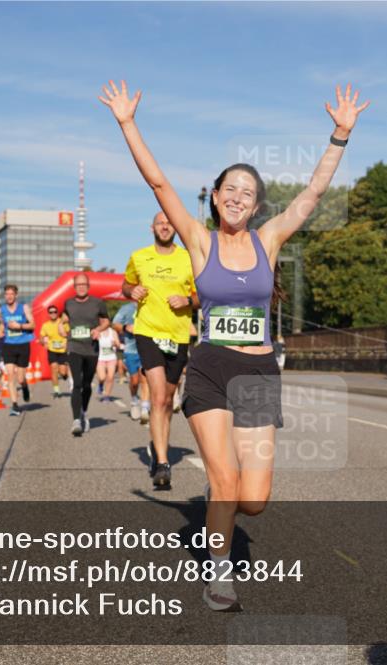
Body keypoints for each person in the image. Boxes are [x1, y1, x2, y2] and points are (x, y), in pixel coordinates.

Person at [101, 79, 368, 610]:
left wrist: (339, 135)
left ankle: (217, 509)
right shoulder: (199, 242)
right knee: (224, 481)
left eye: (248, 192)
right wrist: (127, 122)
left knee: (255, 499)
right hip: (208, 371)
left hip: (259, 374)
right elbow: (158, 184)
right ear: (217, 196)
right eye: (230, 189)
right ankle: (219, 572)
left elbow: (313, 195)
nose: (238, 197)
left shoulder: (270, 240)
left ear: (256, 204)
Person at [120, 211, 198, 489]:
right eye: (160, 223)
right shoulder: (139, 256)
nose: (165, 226)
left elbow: (203, 295)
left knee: (166, 400)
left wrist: (188, 299)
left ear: (175, 227)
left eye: (169, 222)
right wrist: (132, 292)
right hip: (148, 332)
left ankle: (158, 444)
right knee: (157, 397)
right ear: (151, 227)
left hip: (177, 335)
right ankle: (163, 465)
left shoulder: (189, 258)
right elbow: (125, 285)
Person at [63, 272, 110, 436]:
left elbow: (106, 321)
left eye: (84, 284)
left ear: (88, 286)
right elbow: (64, 318)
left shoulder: (98, 303)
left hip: (92, 349)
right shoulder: (68, 303)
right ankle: (76, 420)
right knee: (77, 383)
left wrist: (98, 329)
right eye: (78, 285)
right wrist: (62, 326)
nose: (81, 287)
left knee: (87, 384)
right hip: (74, 347)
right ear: (74, 287)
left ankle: (83, 411)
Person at [0, 284, 35, 416]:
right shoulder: (1, 310)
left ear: (16, 295)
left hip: (23, 344)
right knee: (10, 375)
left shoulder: (24, 307)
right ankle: (14, 405)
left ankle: (24, 387)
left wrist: (19, 325)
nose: (9, 296)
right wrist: (0, 331)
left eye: (11, 294)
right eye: (6, 294)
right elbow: (2, 324)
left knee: (20, 378)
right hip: (9, 345)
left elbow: (33, 324)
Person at [112, 300, 147, 420]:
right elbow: (115, 324)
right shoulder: (126, 308)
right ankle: (134, 400)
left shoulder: (152, 305)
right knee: (135, 380)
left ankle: (145, 408)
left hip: (148, 349)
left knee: (145, 379)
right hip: (131, 350)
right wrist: (126, 327)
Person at [39, 305, 70, 400]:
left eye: (55, 312)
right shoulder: (46, 325)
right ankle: (56, 390)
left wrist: (67, 343)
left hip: (62, 350)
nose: (53, 314)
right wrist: (43, 342)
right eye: (51, 312)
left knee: (63, 371)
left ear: (57, 313)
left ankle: (65, 375)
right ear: (48, 314)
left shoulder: (63, 323)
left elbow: (69, 335)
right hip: (52, 350)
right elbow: (41, 337)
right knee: (53, 368)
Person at [95, 325, 120, 402]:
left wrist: (115, 343)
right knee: (102, 377)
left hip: (111, 358)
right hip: (100, 358)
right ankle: (100, 384)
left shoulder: (113, 332)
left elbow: (118, 345)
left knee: (110, 377)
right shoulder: (97, 331)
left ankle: (107, 396)